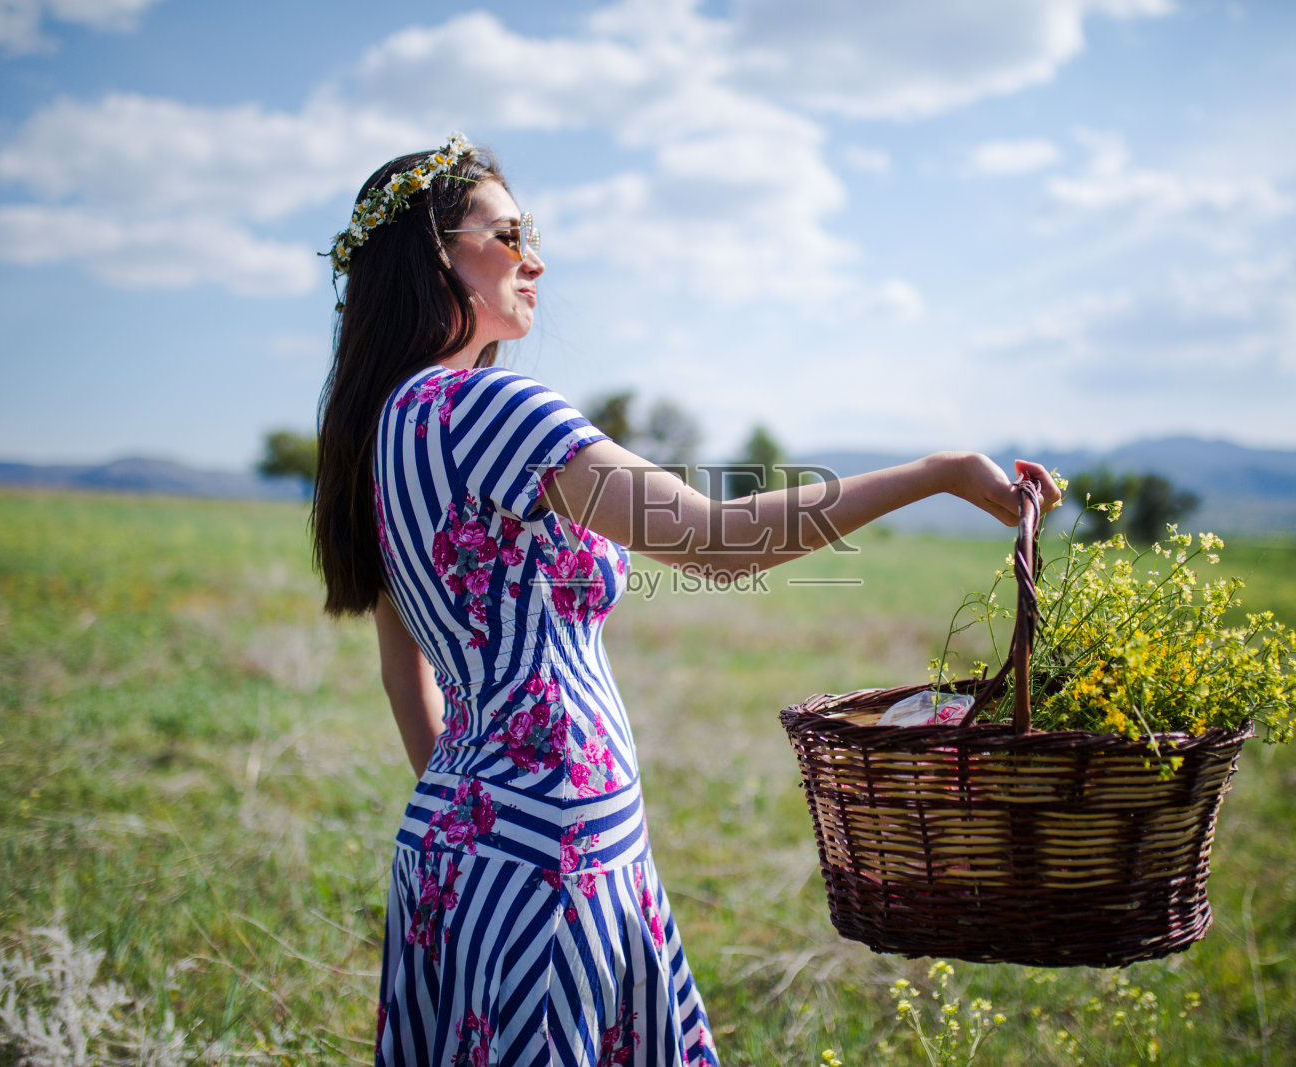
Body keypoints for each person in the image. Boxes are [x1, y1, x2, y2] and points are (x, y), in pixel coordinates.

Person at [311, 133, 1062, 1067]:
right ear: (437, 256)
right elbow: (717, 541)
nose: (535, 257)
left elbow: (402, 672)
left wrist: (476, 822)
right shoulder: (493, 412)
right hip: (556, 855)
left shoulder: (379, 432)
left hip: (451, 854)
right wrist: (938, 471)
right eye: (509, 234)